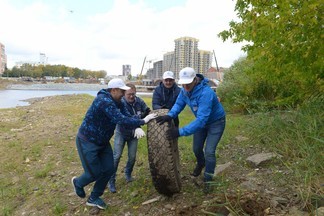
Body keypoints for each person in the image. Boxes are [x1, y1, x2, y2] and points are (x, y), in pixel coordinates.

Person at [71, 78, 157, 210]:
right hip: (87, 141)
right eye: (122, 91)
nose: (124, 94)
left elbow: (127, 115)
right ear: (114, 90)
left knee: (109, 169)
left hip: (103, 142)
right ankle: (78, 182)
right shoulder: (103, 101)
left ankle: (94, 197)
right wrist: (142, 122)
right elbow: (120, 119)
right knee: (94, 173)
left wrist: (140, 121)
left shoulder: (118, 101)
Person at [156, 67, 226, 194]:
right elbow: (178, 104)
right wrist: (170, 115)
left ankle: (208, 179)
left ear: (195, 80)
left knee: (209, 151)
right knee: (196, 149)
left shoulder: (206, 93)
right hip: (202, 123)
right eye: (183, 83)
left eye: (188, 83)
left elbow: (201, 120)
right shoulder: (184, 91)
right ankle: (201, 163)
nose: (185, 86)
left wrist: (180, 132)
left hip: (216, 123)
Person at [108, 83, 151, 193]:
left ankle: (128, 173)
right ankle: (111, 180)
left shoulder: (139, 101)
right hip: (122, 132)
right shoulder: (121, 103)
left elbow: (146, 111)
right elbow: (123, 121)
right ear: (124, 93)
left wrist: (151, 115)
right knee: (116, 156)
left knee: (132, 156)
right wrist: (136, 126)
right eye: (129, 94)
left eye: (133, 94)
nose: (131, 96)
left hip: (134, 135)